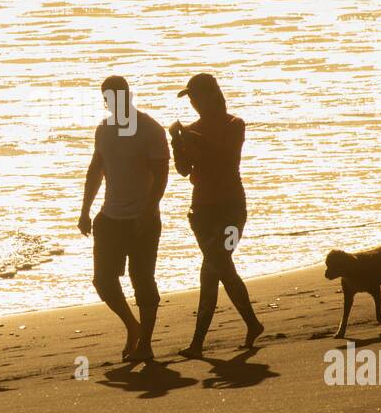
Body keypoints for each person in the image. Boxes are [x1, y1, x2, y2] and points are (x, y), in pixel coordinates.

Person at [170, 73, 263, 358]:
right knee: (218, 267)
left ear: (213, 95)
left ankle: (199, 342)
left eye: (197, 96)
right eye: (191, 98)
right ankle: (251, 324)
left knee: (213, 266)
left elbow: (224, 157)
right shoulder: (190, 129)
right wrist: (176, 141)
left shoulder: (234, 124)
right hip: (201, 211)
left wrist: (189, 137)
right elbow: (184, 169)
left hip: (232, 210)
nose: (194, 103)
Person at [78, 76, 169, 362]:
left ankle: (146, 344)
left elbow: (162, 177)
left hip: (143, 219)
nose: (109, 104)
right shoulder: (103, 130)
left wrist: (147, 211)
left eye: (113, 98)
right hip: (110, 217)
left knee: (142, 279)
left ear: (127, 96)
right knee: (103, 281)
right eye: (106, 100)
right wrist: (85, 211)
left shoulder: (150, 129)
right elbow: (96, 170)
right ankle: (133, 326)